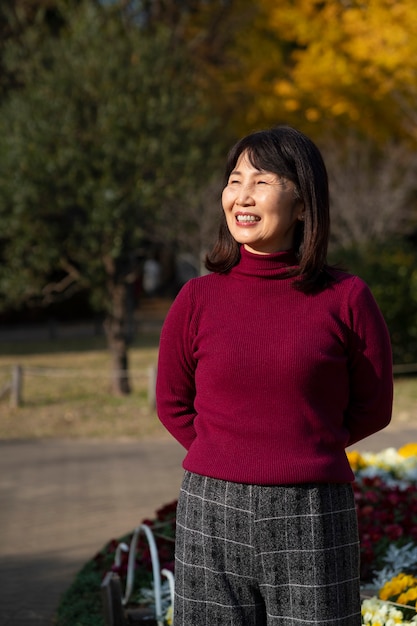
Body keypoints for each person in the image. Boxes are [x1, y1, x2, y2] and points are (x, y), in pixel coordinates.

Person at [156, 125, 393, 625]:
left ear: (303, 204)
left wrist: (306, 446)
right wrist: (226, 450)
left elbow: (374, 405)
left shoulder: (346, 297)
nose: (242, 195)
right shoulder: (196, 299)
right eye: (234, 180)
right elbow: (173, 402)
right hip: (210, 508)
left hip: (313, 511)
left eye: (261, 182)